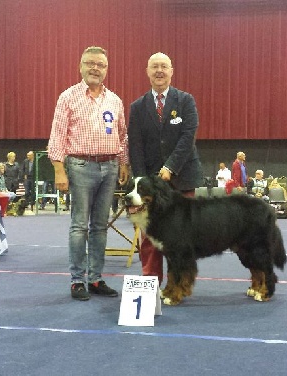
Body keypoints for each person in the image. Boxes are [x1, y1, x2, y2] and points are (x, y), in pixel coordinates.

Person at [47, 46, 129, 301]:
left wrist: (123, 163)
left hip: (110, 166)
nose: (95, 68)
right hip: (80, 166)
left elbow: (122, 135)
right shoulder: (68, 97)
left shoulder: (114, 100)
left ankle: (95, 278)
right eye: (90, 63)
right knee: (79, 226)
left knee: (100, 227)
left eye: (101, 65)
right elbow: (58, 135)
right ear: (80, 66)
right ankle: (77, 280)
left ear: (107, 69)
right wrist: (59, 170)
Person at [129, 51, 203, 287]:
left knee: (182, 237)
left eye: (164, 66)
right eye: (154, 67)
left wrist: (170, 167)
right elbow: (136, 145)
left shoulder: (186, 101)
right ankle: (150, 282)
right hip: (149, 185)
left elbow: (188, 137)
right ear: (147, 72)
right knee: (150, 236)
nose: (159, 71)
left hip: (182, 179)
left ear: (172, 71)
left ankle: (179, 283)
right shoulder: (137, 107)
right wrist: (141, 180)